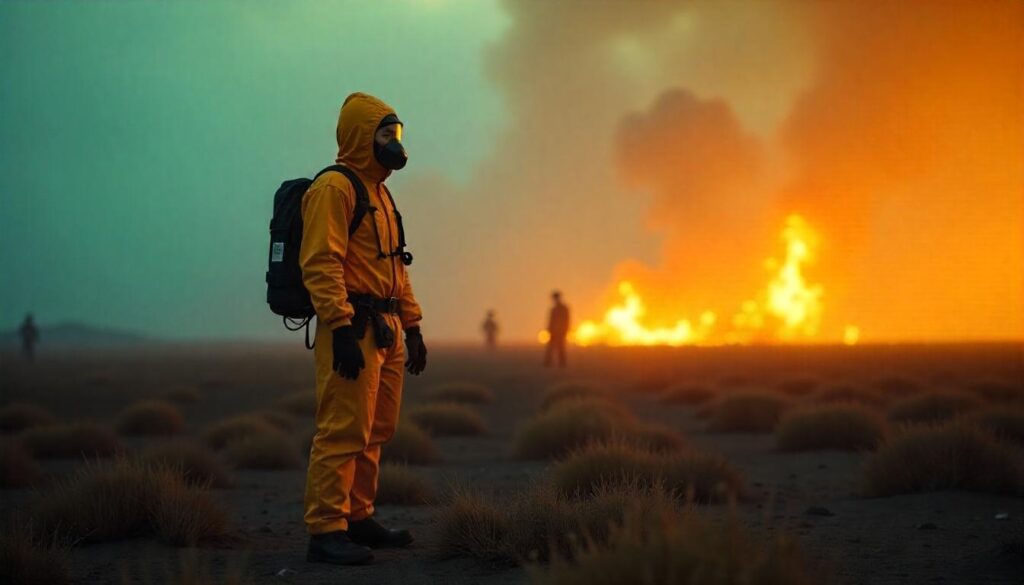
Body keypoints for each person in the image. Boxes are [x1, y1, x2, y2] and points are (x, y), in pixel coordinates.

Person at [299, 92, 426, 566]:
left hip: (387, 326)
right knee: (342, 430)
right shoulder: (336, 188)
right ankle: (326, 530)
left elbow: (397, 268)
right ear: (360, 136)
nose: (393, 142)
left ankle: (357, 517)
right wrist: (341, 327)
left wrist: (412, 326)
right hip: (351, 326)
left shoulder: (381, 192)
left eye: (397, 133)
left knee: (375, 429)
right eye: (384, 133)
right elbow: (320, 262)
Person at [544, 291, 570, 367]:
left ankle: (561, 363)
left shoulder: (563, 309)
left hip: (560, 331)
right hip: (554, 331)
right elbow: (551, 321)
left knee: (560, 347)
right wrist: (549, 329)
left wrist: (565, 329)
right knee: (552, 347)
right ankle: (549, 362)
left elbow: (566, 320)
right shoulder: (554, 309)